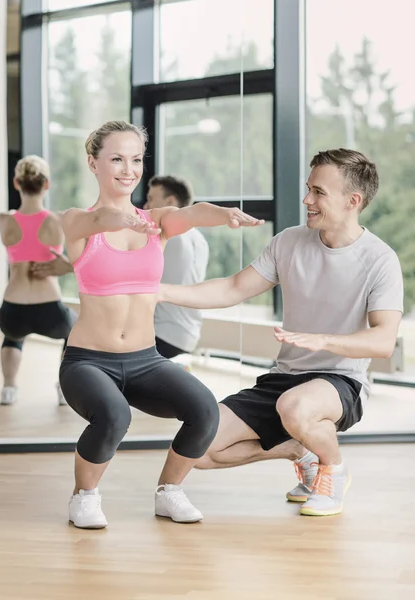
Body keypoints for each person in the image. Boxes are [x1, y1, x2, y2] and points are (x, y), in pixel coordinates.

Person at [159, 148, 404, 517]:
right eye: (309, 189)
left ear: (353, 200)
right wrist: (159, 292)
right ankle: (297, 449)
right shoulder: (289, 242)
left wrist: (325, 341)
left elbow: (384, 340)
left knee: (296, 408)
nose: (307, 199)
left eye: (319, 192)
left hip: (341, 381)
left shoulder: (379, 259)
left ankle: (332, 471)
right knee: (201, 447)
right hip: (284, 379)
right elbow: (231, 289)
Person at [58, 120, 264, 529]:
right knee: (114, 416)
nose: (128, 169)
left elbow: (190, 213)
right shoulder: (76, 221)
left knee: (205, 409)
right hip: (87, 362)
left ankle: (169, 491)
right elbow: (96, 223)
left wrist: (223, 215)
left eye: (136, 159)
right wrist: (118, 220)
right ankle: (84, 496)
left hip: (144, 359)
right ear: (93, 163)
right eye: (116, 158)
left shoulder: (156, 222)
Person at [0, 155, 77, 406]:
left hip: (12, 310)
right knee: (75, 331)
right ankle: (63, 388)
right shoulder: (60, 220)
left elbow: (16, 220)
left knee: (12, 336)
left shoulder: (3, 219)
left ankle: (9, 388)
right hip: (50, 311)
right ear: (47, 185)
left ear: (16, 183)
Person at [144, 175, 209, 359]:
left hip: (162, 335)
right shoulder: (199, 239)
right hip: (189, 336)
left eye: (150, 200)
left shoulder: (164, 234)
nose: (146, 207)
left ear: (170, 201)